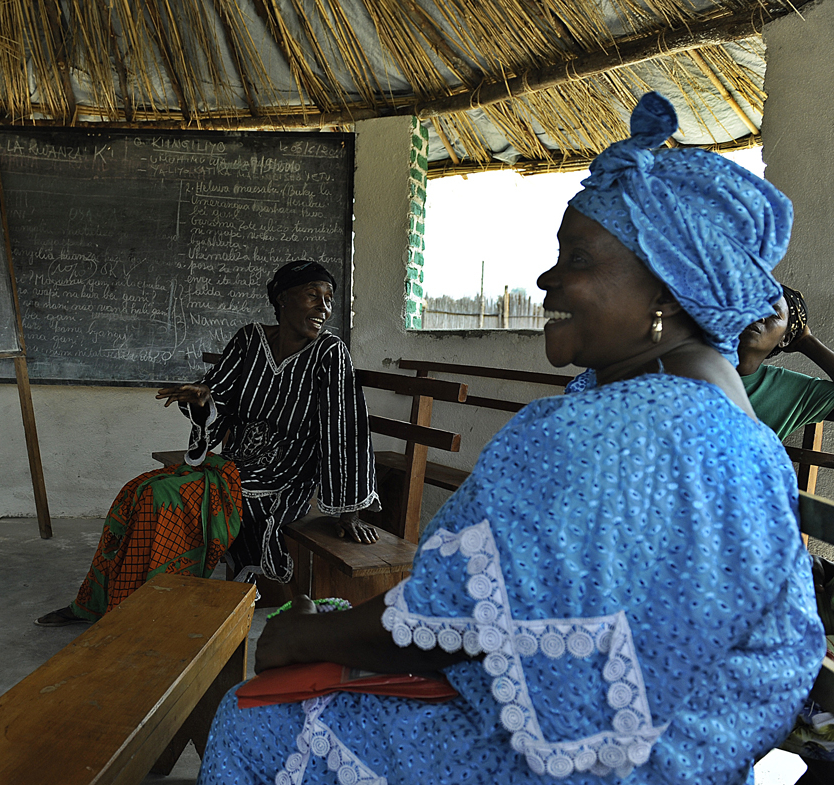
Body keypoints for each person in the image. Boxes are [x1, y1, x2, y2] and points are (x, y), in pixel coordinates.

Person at [197, 93, 824, 784]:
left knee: (252, 716)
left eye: (577, 258)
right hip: (682, 757)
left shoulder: (604, 432)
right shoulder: (737, 427)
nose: (547, 278)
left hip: (569, 765)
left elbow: (451, 624)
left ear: (667, 292)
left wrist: (297, 635)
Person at [36, 260, 380, 627]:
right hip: (235, 466)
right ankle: (102, 602)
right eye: (313, 295)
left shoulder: (330, 353)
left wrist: (350, 511)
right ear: (282, 299)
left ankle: (148, 611)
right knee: (137, 492)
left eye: (329, 300)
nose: (323, 308)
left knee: (166, 497)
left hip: (282, 480)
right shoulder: (250, 340)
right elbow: (218, 395)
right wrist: (203, 401)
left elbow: (347, 429)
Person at [738, 285, 834, 440]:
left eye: (773, 313)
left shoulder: (792, 391)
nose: (759, 315)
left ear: (786, 338)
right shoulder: (690, 365)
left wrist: (807, 343)